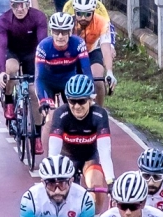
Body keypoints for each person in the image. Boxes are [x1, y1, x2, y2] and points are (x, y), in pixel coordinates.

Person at [43, 72, 115, 207]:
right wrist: (52, 176)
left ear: (91, 99)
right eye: (72, 101)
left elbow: (104, 151)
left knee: (96, 184)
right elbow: (53, 151)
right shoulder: (61, 114)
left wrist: (111, 181)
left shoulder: (99, 115)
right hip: (67, 159)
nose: (76, 106)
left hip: (89, 157)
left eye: (81, 101)